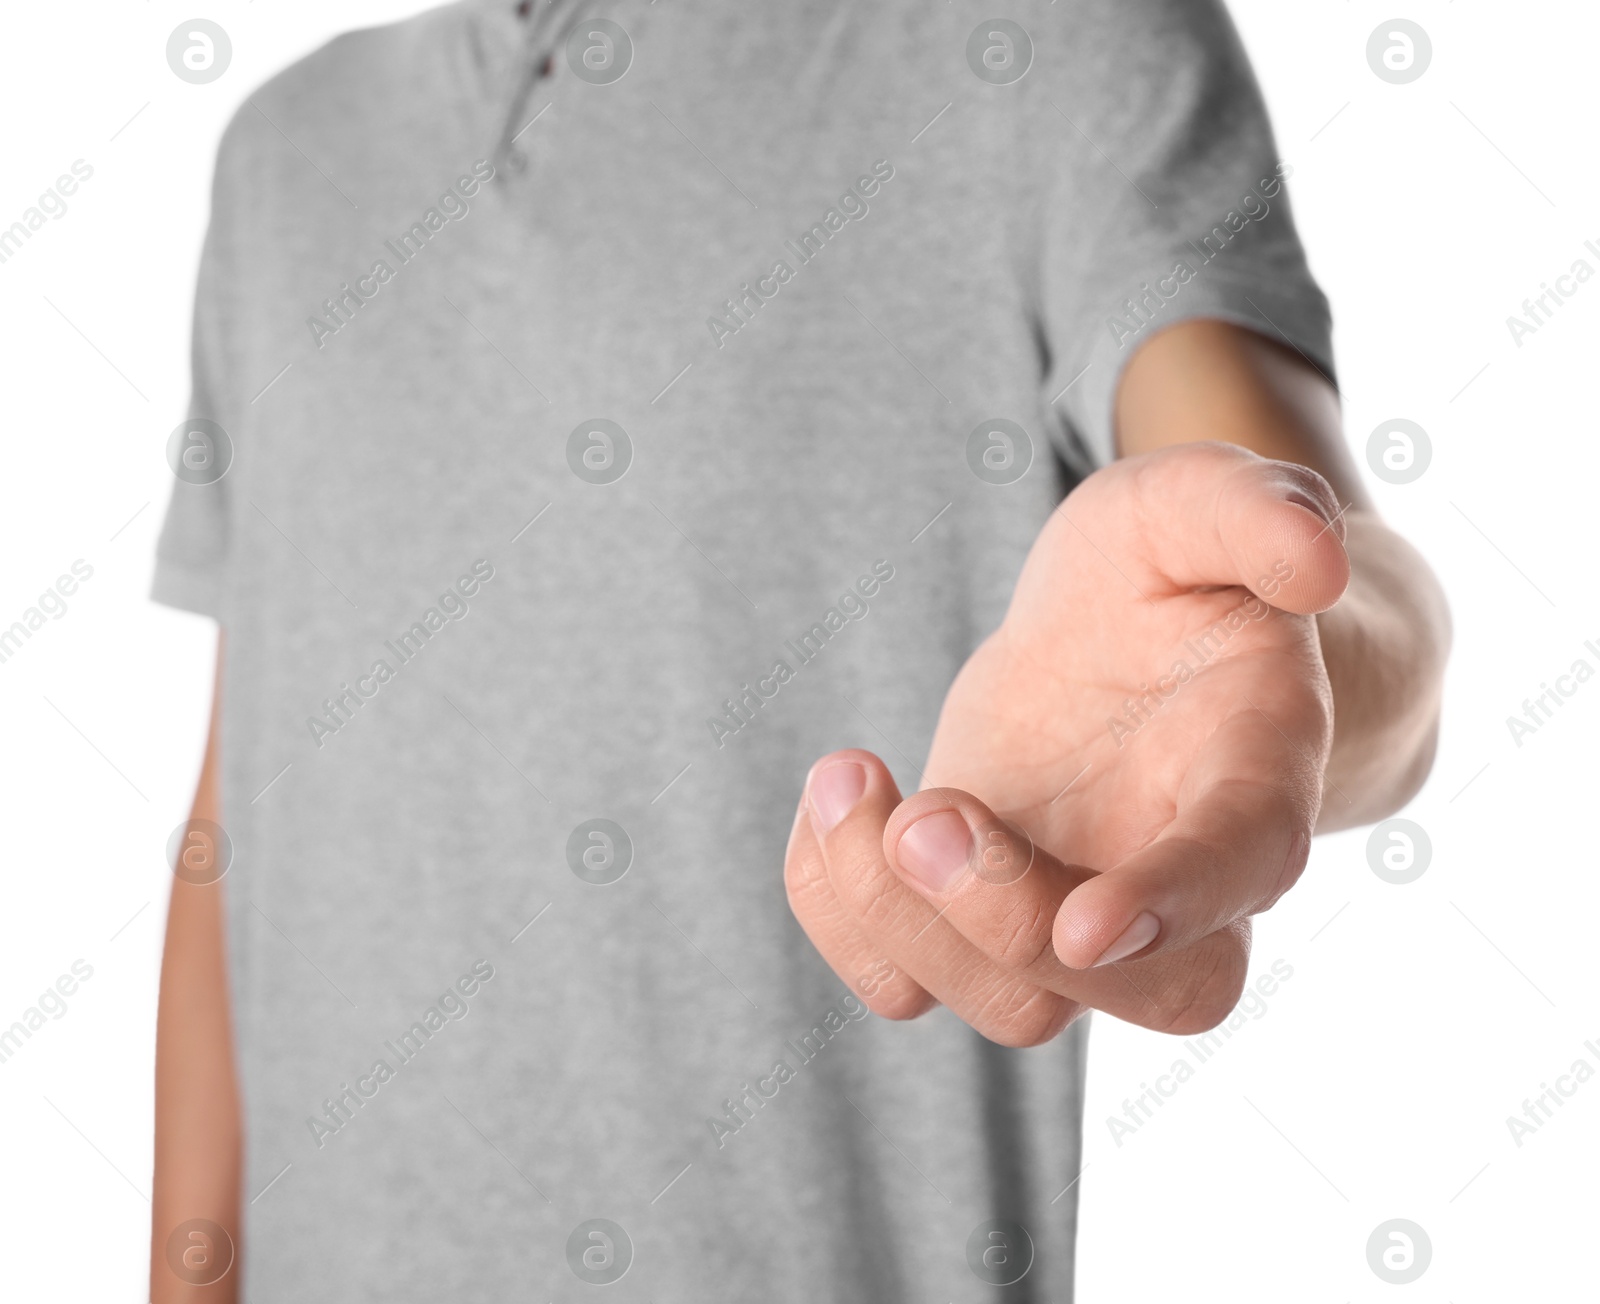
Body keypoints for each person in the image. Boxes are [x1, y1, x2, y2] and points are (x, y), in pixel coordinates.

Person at [148, 1, 1449, 1299]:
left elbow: (1319, 569)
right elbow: (245, 800)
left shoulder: (1058, 40)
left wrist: (1270, 672)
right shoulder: (278, 154)